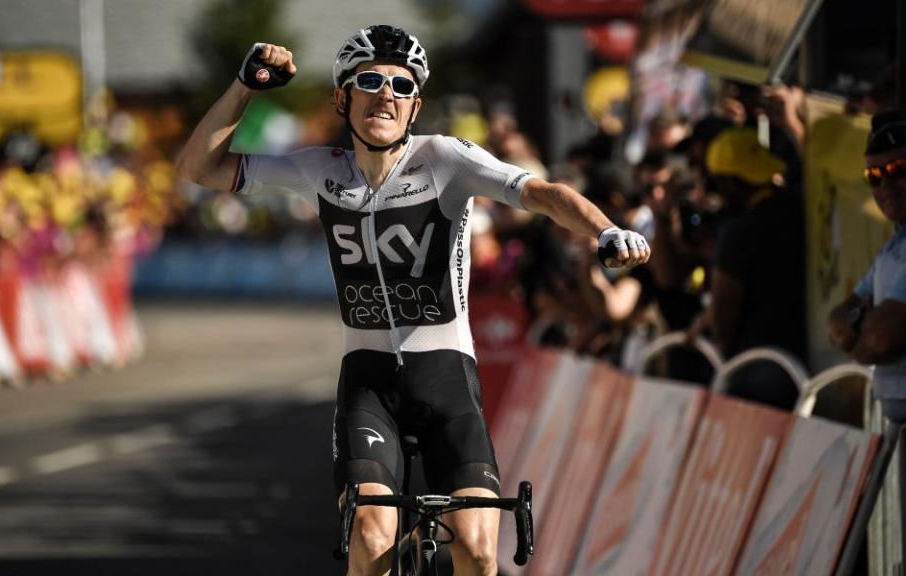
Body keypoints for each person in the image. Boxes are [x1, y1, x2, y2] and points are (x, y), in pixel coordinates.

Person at [175, 25, 650, 576]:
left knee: (475, 550)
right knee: (371, 541)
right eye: (370, 81)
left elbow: (542, 194)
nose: (385, 95)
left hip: (447, 379)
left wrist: (606, 231)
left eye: (401, 87)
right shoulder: (318, 169)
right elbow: (197, 168)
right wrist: (246, 85)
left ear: (415, 105)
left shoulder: (445, 159)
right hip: (368, 383)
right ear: (341, 98)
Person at [827, 111, 906, 569]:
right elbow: (839, 319)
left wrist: (864, 332)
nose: (885, 184)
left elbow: (883, 334)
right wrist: (863, 331)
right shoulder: (900, 242)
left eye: (898, 170)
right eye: (874, 176)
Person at [701, 128, 806, 409]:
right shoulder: (802, 208)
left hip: (758, 366)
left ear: (729, 183)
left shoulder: (739, 231)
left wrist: (723, 352)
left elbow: (724, 307)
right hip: (813, 360)